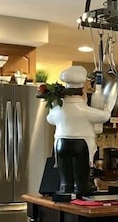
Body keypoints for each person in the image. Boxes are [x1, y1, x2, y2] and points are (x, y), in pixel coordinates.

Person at [46, 66, 110, 196]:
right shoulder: (84, 109)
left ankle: (65, 188)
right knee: (81, 178)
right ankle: (81, 188)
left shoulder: (59, 109)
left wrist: (52, 104)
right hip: (80, 144)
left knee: (65, 177)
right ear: (82, 92)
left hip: (61, 144)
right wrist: (107, 107)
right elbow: (104, 117)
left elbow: (49, 119)